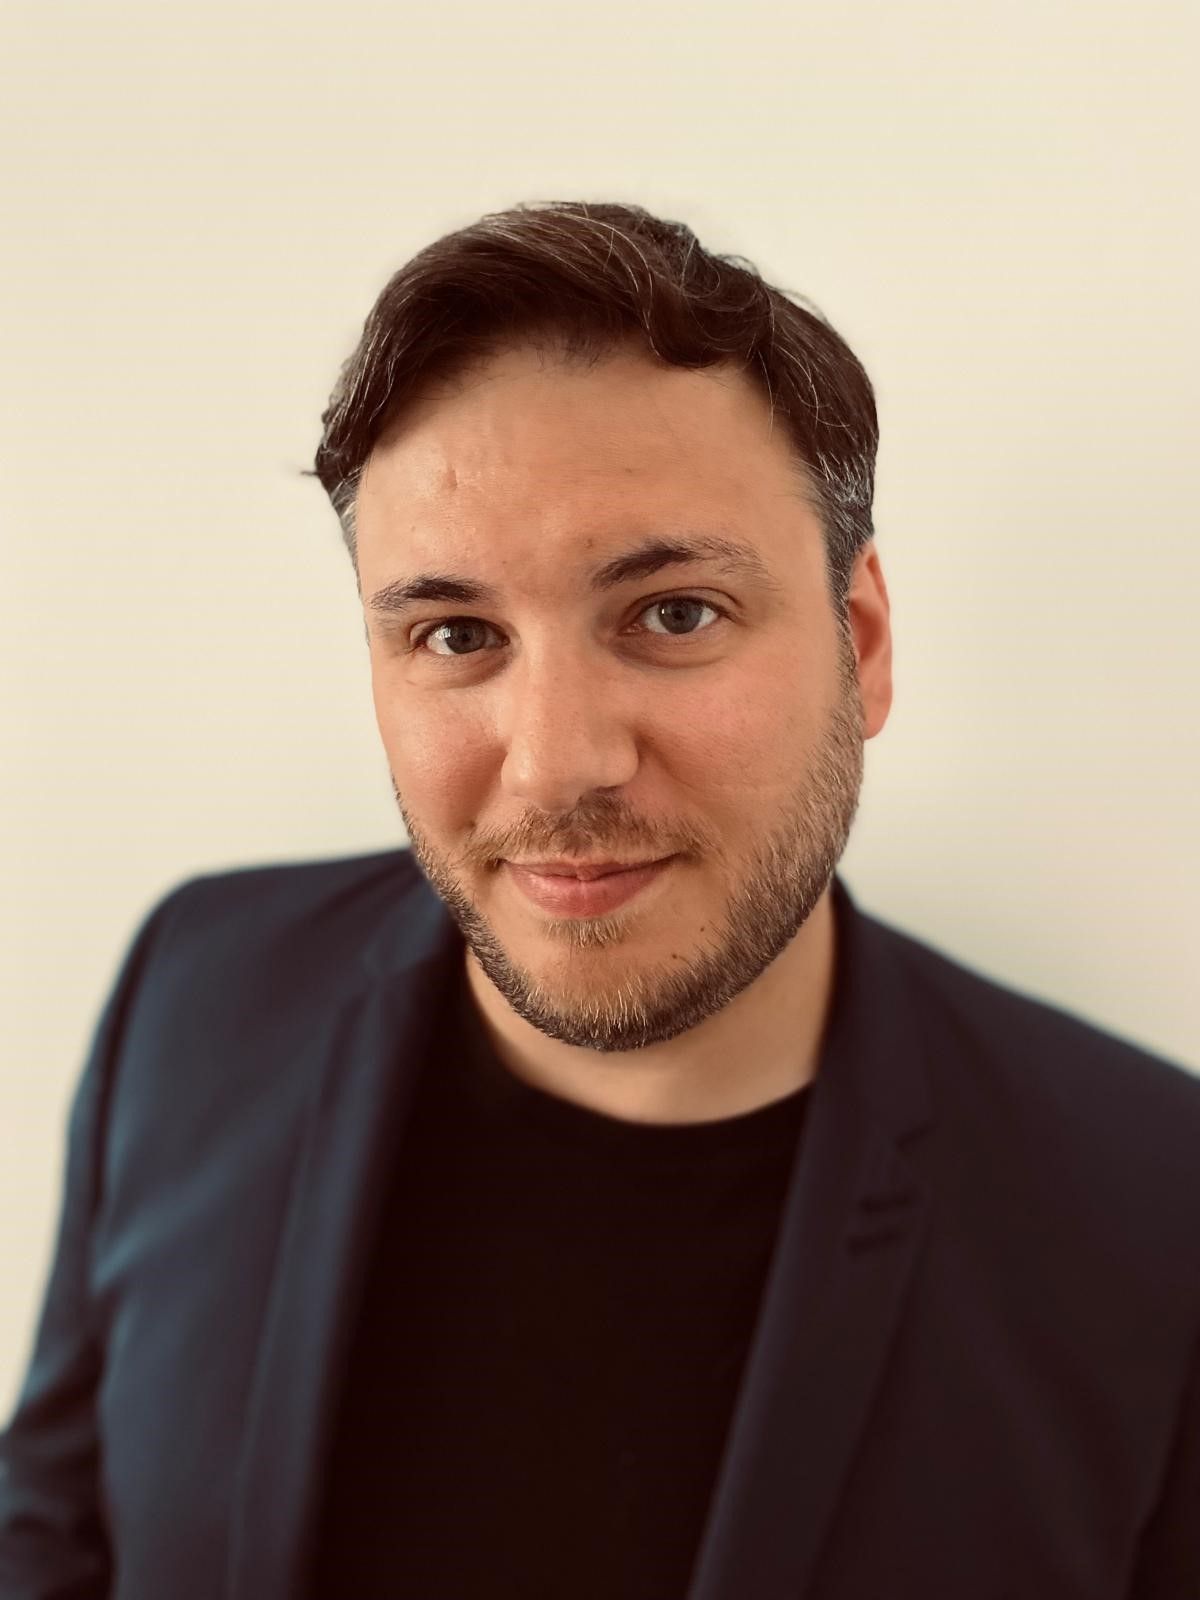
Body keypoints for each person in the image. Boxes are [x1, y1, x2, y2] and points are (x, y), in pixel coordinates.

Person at [1, 200, 1197, 1600]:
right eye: (456, 633)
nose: (558, 761)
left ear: (861, 645)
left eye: (674, 613)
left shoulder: (1153, 1211)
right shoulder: (197, 991)